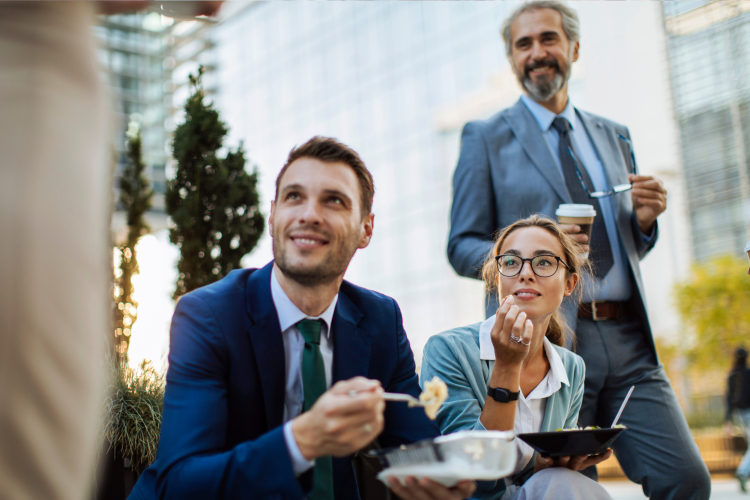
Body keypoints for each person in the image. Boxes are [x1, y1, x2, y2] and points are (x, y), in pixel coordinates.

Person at [446, 2, 710, 499]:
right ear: (511, 58)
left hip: (630, 339)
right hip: (547, 346)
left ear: (574, 48)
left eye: (548, 39)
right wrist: (537, 251)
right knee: (566, 486)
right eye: (523, 44)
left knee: (687, 480)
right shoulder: (484, 137)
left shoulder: (616, 136)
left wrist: (645, 223)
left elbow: (615, 251)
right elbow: (461, 246)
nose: (537, 53)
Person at [129, 137, 476, 500]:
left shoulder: (380, 320)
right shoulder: (209, 315)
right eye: (294, 196)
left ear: (366, 229)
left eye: (334, 200)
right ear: (273, 216)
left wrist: (442, 478)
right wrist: (303, 439)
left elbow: (417, 451)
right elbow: (180, 484)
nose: (309, 214)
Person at [423, 215, 613, 500]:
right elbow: (475, 475)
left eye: (544, 262)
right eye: (511, 262)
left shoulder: (571, 367)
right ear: (497, 279)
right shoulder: (447, 350)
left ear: (570, 283)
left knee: (560, 479)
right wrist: (507, 365)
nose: (525, 273)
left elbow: (539, 481)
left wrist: (551, 464)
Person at [725, 347, 750, 493]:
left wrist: (728, 420)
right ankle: (743, 471)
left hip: (739, 414)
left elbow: (728, 398)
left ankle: (743, 471)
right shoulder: (748, 373)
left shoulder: (732, 375)